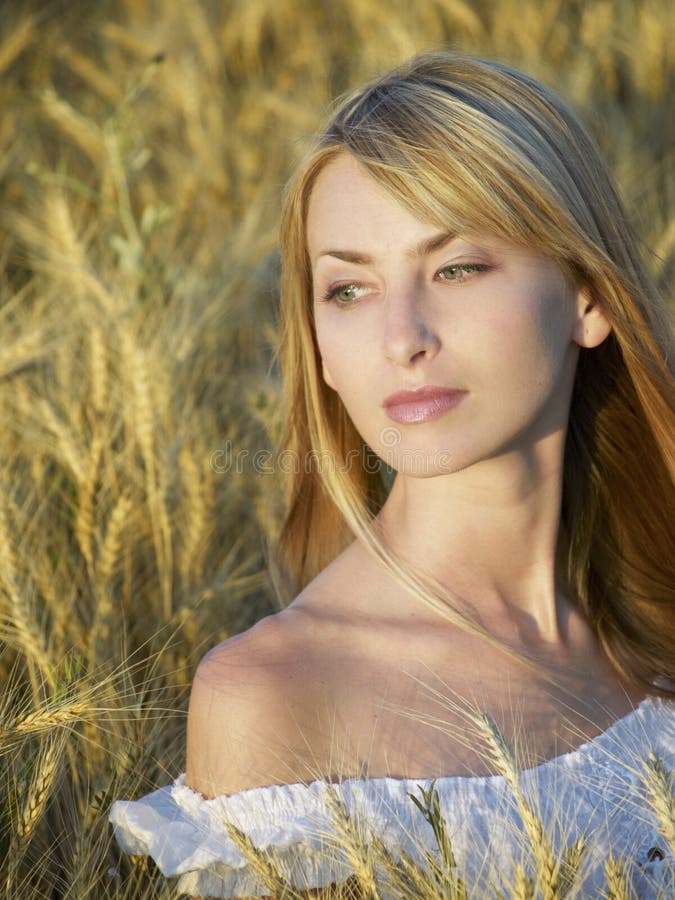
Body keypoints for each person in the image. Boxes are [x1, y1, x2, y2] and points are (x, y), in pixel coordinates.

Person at [110, 53, 675, 898]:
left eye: (455, 269)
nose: (400, 337)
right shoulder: (274, 697)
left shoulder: (652, 601)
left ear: (587, 298)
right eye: (348, 289)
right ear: (319, 351)